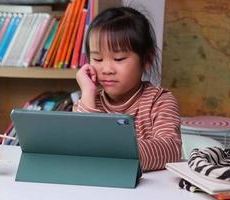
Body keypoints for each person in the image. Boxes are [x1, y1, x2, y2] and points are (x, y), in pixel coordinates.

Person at [73, 6, 181, 171]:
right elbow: (75, 148)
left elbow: (171, 150)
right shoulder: (89, 102)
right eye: (98, 58)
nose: (107, 69)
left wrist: (110, 151)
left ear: (147, 60)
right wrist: (88, 93)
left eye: (119, 58)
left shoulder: (160, 101)